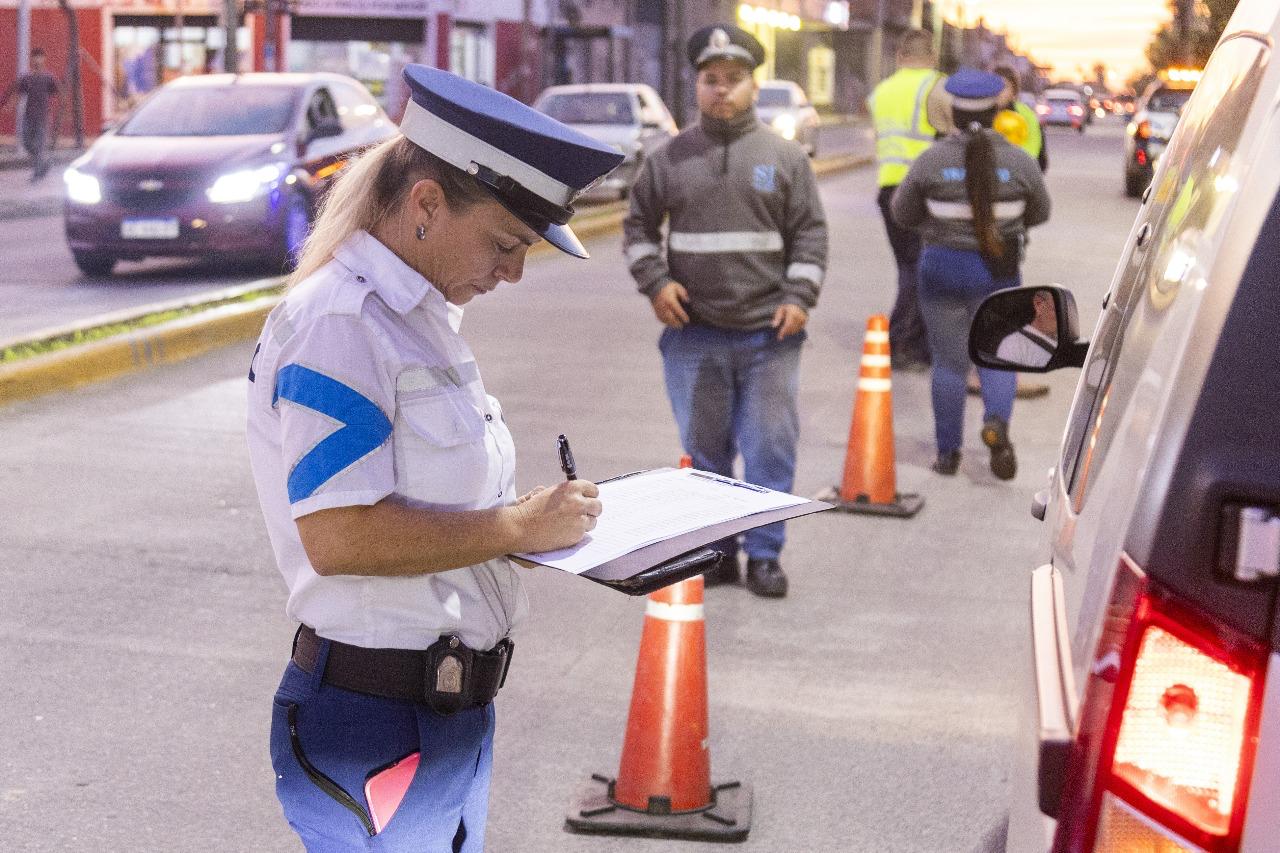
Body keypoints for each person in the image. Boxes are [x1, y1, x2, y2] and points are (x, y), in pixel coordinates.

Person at [245, 64, 622, 852]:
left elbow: (440, 507)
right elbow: (339, 534)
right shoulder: (342, 323)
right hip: (375, 723)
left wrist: (527, 528)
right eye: (504, 243)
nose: (514, 270)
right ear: (426, 204)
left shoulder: (416, 317)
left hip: (441, 719)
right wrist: (513, 527)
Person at [623, 24, 828, 598]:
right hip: (695, 335)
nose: (721, 90)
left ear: (753, 87)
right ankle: (718, 555)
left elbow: (810, 234)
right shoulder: (668, 159)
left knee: (768, 452)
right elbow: (637, 229)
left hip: (770, 336)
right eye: (711, 79)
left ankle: (765, 556)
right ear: (697, 86)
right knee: (706, 454)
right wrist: (655, 283)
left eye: (733, 79)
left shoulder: (785, 158)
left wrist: (799, 297)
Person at [891, 68, 1051, 480]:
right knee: (997, 358)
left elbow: (902, 213)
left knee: (949, 364)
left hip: (941, 268)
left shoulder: (931, 160)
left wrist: (938, 224)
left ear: (954, 113)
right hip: (998, 270)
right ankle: (996, 422)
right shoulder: (1019, 161)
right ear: (998, 112)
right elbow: (1040, 212)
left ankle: (948, 455)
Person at [867, 30, 953, 372]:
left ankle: (911, 341)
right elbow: (951, 137)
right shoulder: (938, 86)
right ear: (932, 56)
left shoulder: (881, 92)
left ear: (900, 56)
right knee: (922, 270)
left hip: (888, 188)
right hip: (923, 190)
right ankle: (902, 343)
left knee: (908, 267)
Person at [0, 48, 60, 182]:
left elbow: (59, 94)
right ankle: (44, 163)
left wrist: (61, 112)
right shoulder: (26, 78)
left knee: (39, 145)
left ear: (44, 59)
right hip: (28, 117)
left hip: (43, 118)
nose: (37, 60)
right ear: (31, 60)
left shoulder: (49, 78)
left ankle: (37, 173)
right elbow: (18, 94)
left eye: (40, 57)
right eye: (35, 57)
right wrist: (10, 106)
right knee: (27, 143)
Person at [993, 66, 1047, 172]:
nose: (999, 91)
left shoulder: (1025, 115)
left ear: (1014, 92)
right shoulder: (982, 113)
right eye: (994, 85)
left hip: (1019, 171)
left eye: (1004, 86)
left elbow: (1035, 152)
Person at [996, 289, 1058, 367]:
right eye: (1058, 309)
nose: (1064, 317)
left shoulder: (1066, 340)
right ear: (1038, 305)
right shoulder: (1013, 345)